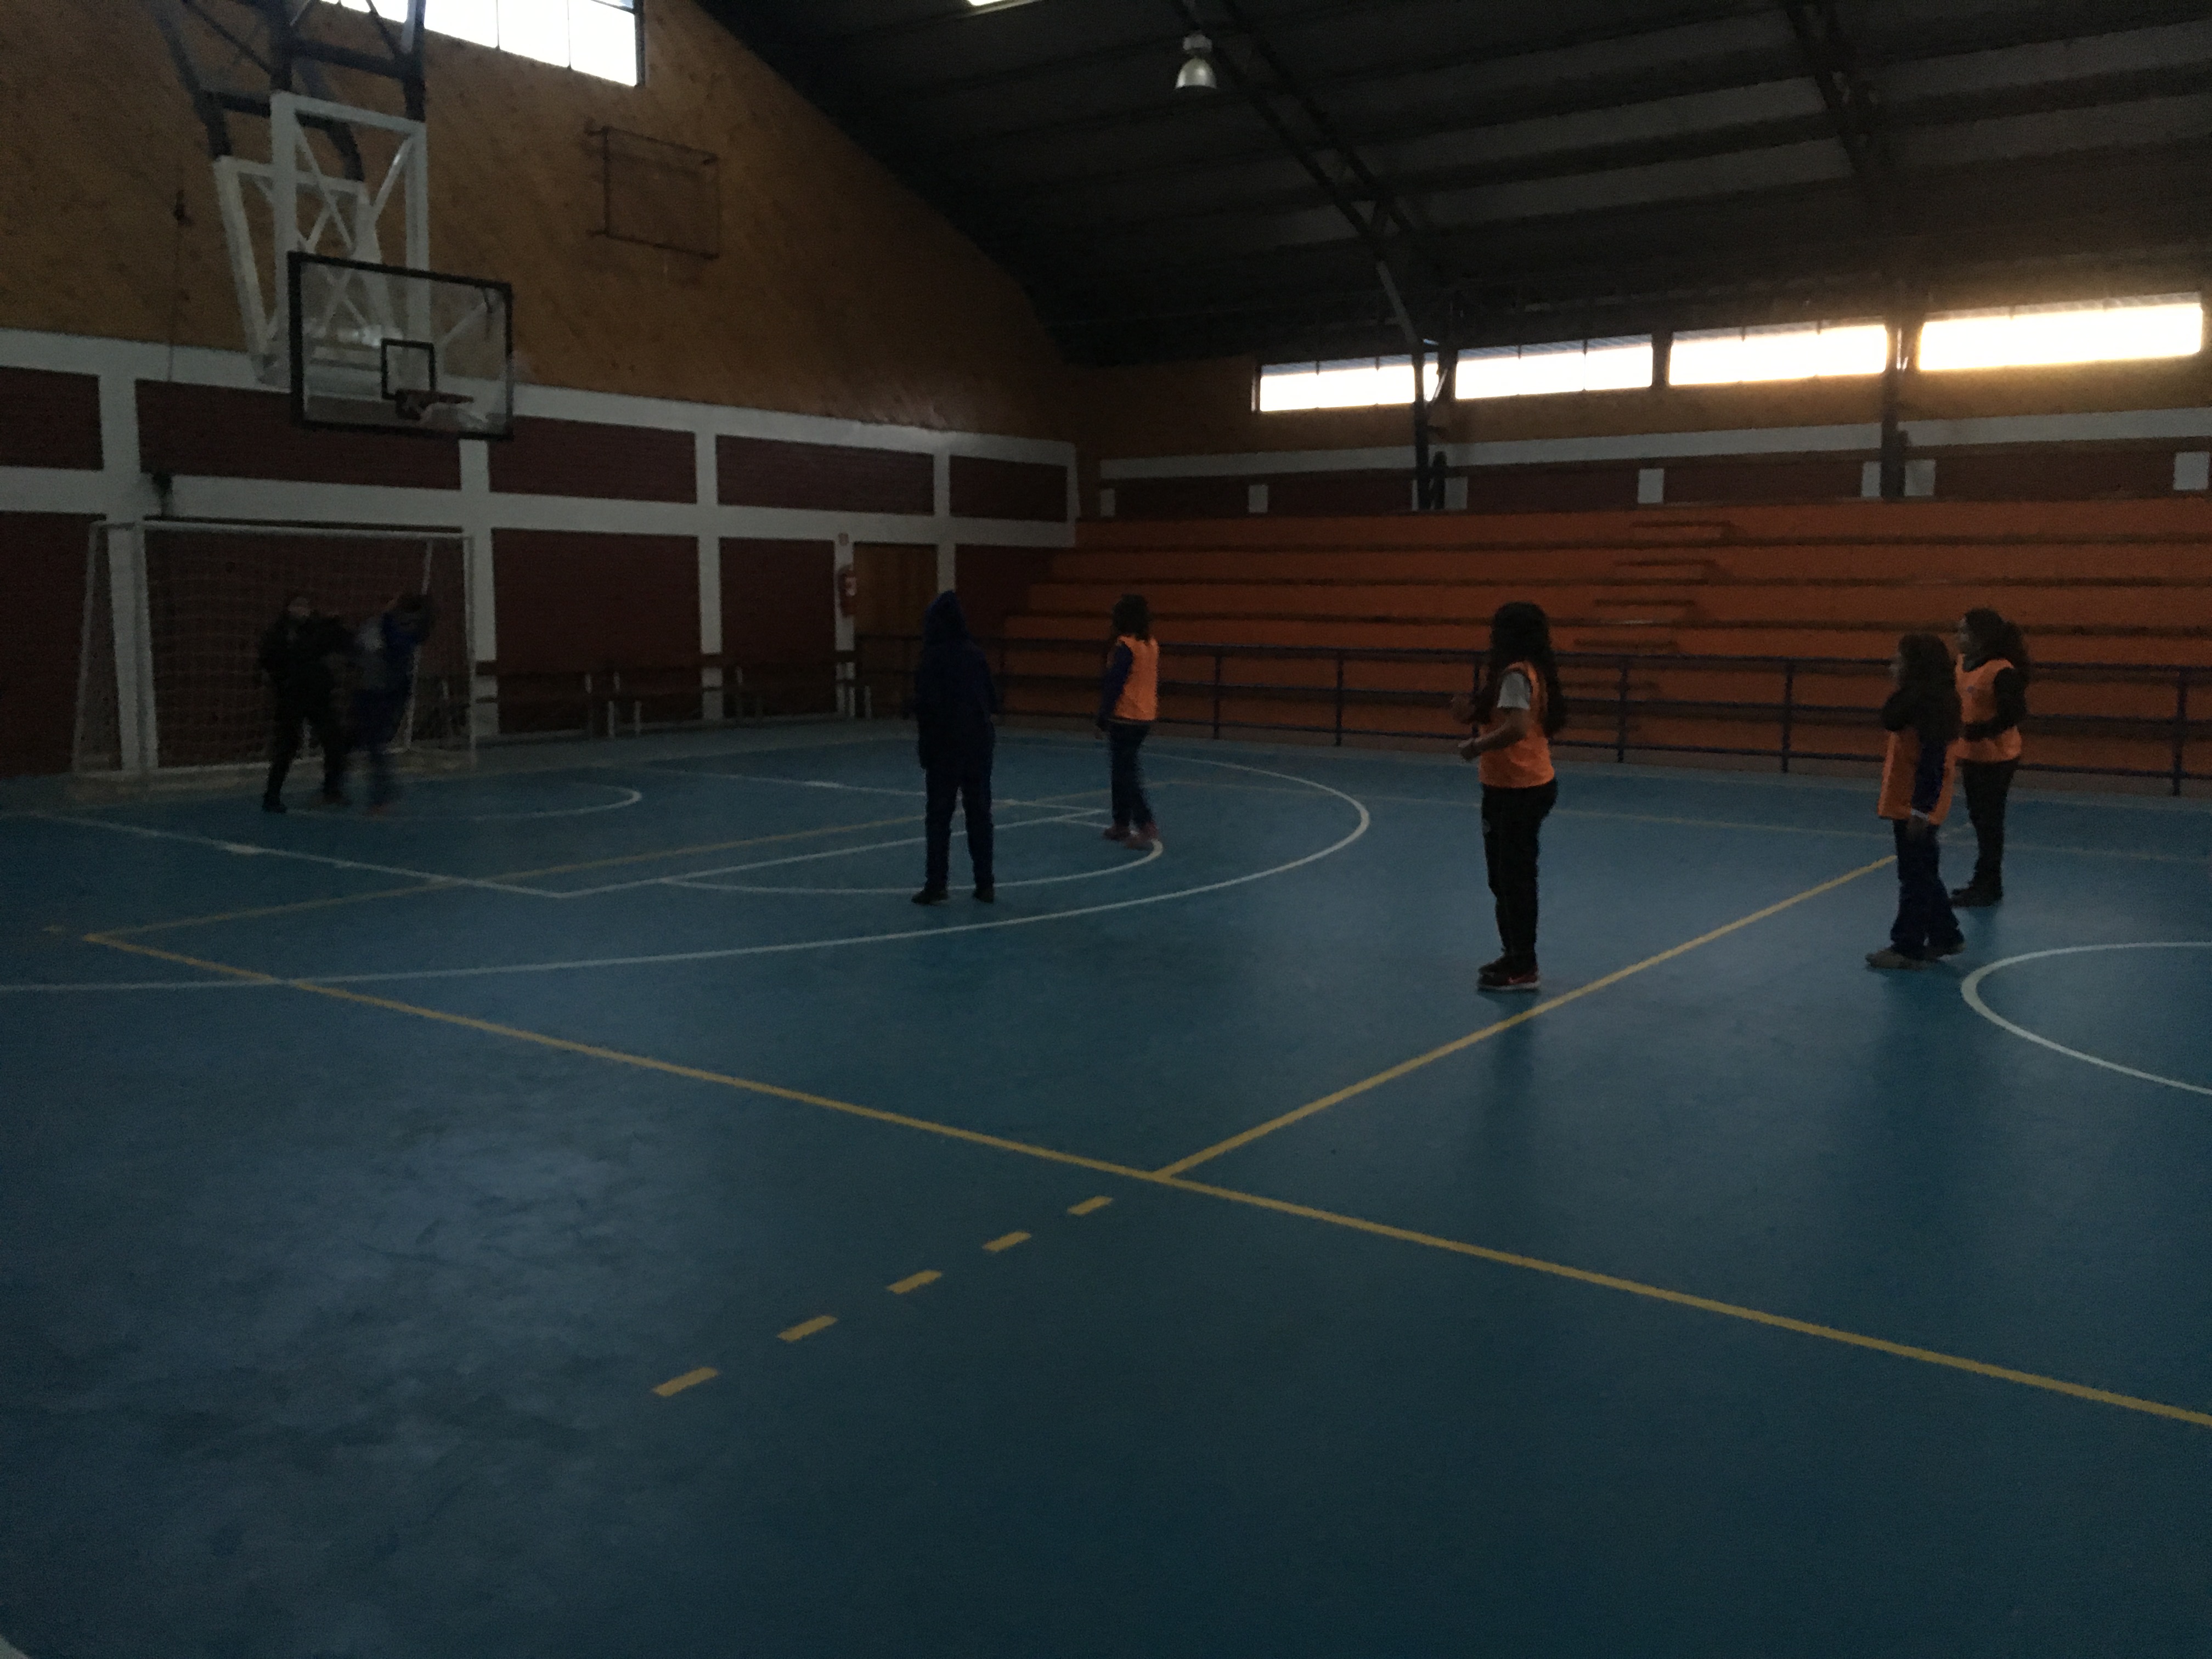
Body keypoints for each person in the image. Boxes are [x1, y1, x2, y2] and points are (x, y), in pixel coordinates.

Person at [1449, 601, 1566, 994]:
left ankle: (1524, 964)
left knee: (1514, 879)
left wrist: (1475, 746)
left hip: (1521, 787)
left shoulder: (1517, 675)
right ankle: (1513, 953)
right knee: (1502, 878)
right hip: (1509, 785)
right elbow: (1503, 717)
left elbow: (1516, 727)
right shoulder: (1523, 673)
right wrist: (1469, 714)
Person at [1867, 632, 1967, 971]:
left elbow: (1932, 763)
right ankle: (1946, 935)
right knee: (1924, 872)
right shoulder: (1923, 701)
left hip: (1916, 806)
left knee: (1914, 877)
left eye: (1900, 660)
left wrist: (1921, 810)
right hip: (1912, 803)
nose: (1893, 665)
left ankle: (1907, 947)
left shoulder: (1928, 706)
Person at [910, 591, 999, 905]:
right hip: (978, 743)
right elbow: (992, 699)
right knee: (979, 813)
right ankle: (985, 883)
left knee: (939, 816)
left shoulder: (932, 657)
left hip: (944, 745)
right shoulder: (975, 654)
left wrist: (925, 746)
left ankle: (937, 884)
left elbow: (925, 706)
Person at [1951, 607, 2030, 907]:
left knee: (1989, 821)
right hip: (1972, 754)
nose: (1959, 637)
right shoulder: (1963, 663)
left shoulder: (2001, 671)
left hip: (1998, 757)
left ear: (1980, 636)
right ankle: (1982, 880)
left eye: (1964, 631)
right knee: (1979, 818)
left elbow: (2014, 713)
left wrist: (1981, 731)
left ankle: (1989, 883)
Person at [256, 592, 351, 813]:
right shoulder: (279, 633)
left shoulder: (317, 629)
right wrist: (282, 681)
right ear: (288, 608)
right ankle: (272, 796)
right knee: (287, 745)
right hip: (292, 697)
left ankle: (332, 790)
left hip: (318, 695)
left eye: (305, 606)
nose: (302, 610)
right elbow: (268, 661)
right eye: (297, 605)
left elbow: (342, 643)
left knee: (335, 740)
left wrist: (336, 625)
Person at [347, 591, 435, 815]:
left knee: (376, 745)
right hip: (366, 691)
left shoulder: (403, 630)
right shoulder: (374, 626)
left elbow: (394, 652)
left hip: (384, 694)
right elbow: (357, 651)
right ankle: (346, 789)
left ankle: (382, 796)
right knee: (361, 743)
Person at [1097, 593, 1161, 851]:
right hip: (1145, 714)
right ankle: (1121, 822)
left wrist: (1103, 716)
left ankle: (1144, 823)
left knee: (1126, 773)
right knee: (1122, 768)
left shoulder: (1125, 646)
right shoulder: (1151, 644)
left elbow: (1114, 683)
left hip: (1126, 715)